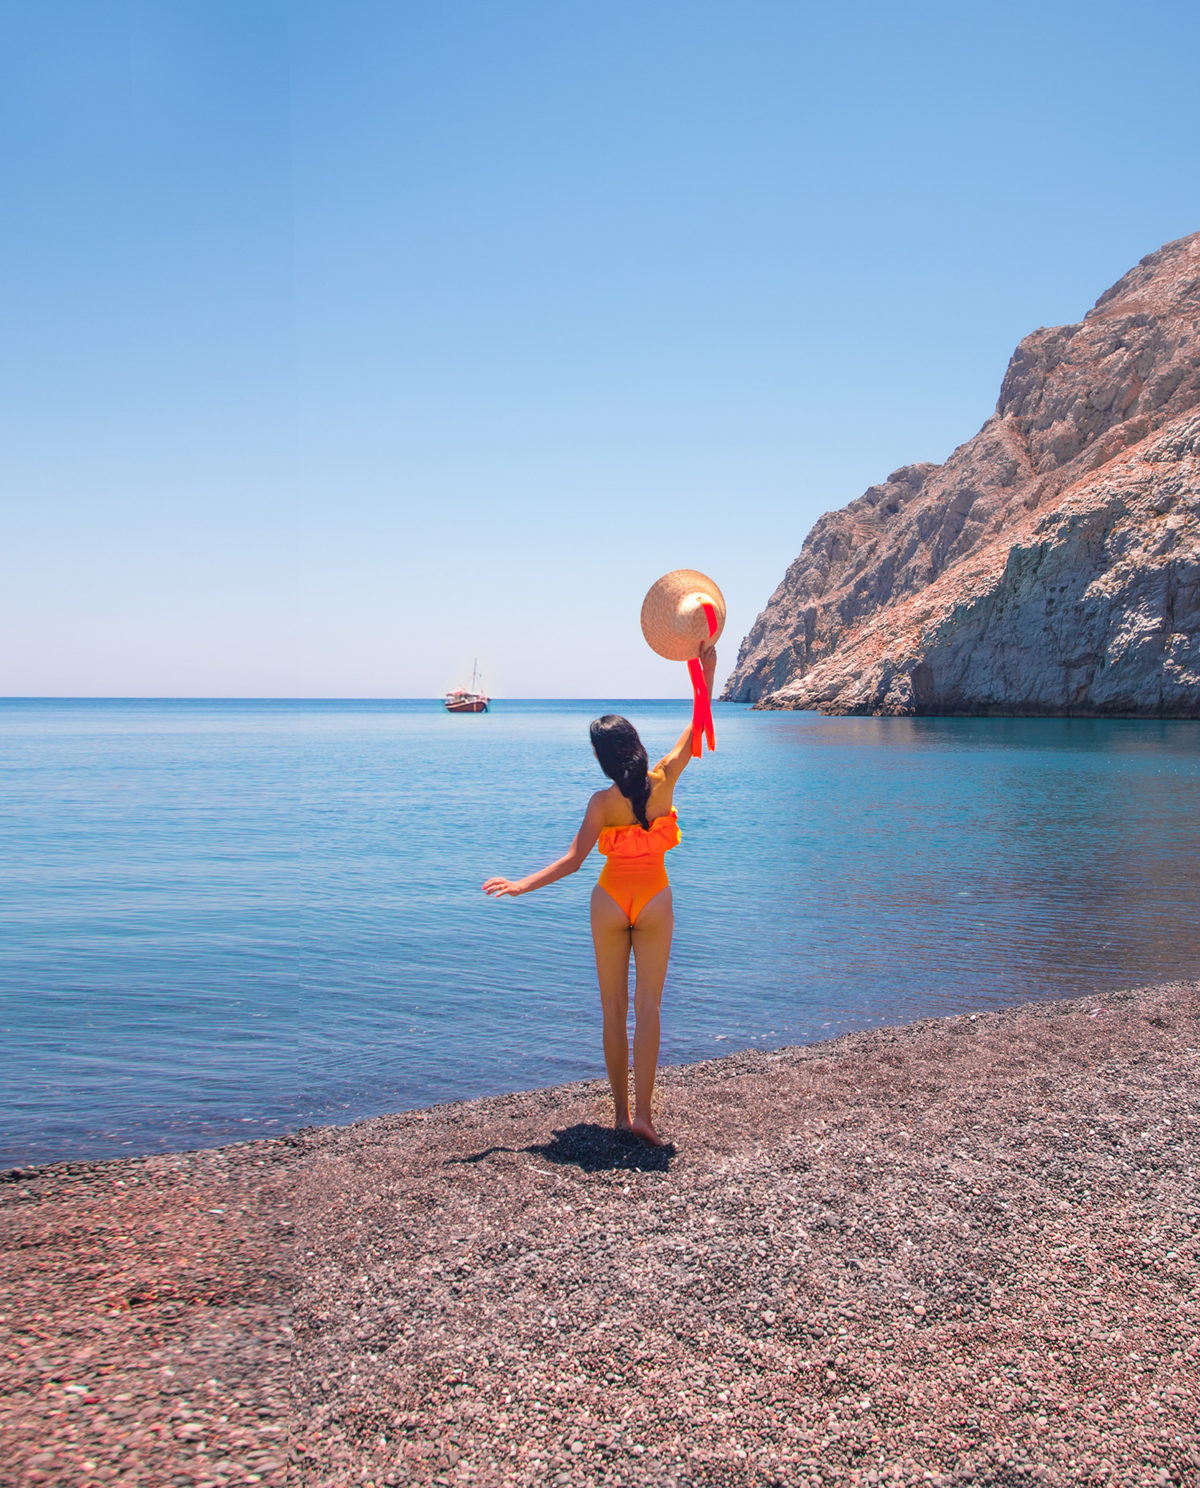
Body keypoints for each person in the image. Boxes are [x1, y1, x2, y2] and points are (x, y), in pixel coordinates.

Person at [482, 642, 717, 1146]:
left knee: (613, 1009)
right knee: (647, 1009)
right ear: (635, 745)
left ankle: (618, 1116)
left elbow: (572, 862)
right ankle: (646, 1119)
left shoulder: (600, 803)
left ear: (603, 759)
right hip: (655, 898)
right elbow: (698, 724)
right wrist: (704, 670)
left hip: (609, 901)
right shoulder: (664, 780)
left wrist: (521, 883)